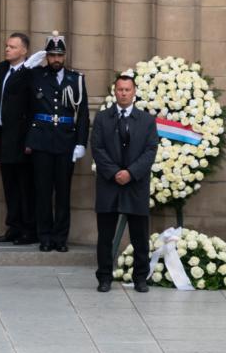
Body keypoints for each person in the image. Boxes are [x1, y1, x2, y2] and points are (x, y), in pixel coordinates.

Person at [92, 73, 159, 292]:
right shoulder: (102, 118)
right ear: (115, 91)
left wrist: (131, 173)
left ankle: (140, 277)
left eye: (127, 90)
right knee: (105, 236)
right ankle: (104, 277)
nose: (123, 93)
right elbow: (98, 149)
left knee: (139, 235)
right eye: (120, 89)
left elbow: (150, 150)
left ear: (134, 92)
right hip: (109, 184)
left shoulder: (147, 120)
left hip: (135, 184)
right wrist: (114, 173)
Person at [25, 32, 89, 253]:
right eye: (51, 55)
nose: (55, 60)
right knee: (43, 192)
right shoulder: (36, 75)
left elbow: (83, 114)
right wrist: (26, 67)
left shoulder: (76, 79)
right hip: (42, 140)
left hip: (65, 142)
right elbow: (15, 89)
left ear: (64, 56)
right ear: (46, 56)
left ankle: (60, 238)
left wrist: (81, 142)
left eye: (59, 55)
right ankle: (45, 237)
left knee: (63, 193)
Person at [0, 33, 36, 245]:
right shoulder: (1, 71)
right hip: (3, 136)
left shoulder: (30, 73)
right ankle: (13, 227)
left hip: (21, 138)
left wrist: (30, 141)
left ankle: (28, 228)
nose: (7, 49)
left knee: (25, 185)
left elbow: (34, 109)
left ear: (24, 51)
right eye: (7, 46)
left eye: (13, 47)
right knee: (9, 185)